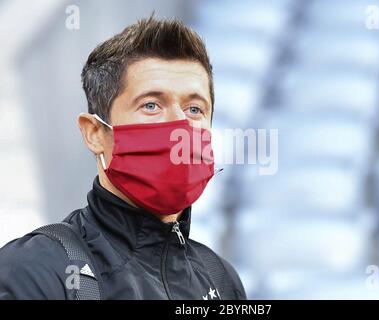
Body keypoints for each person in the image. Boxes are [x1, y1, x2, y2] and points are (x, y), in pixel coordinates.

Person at [0, 15, 247, 300]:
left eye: (194, 109)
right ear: (94, 132)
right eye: (152, 105)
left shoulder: (221, 279)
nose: (181, 126)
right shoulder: (36, 272)